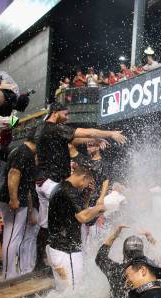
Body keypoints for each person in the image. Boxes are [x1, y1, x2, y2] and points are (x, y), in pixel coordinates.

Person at [34, 103, 126, 272]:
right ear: (55, 113)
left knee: (50, 224)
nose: (67, 117)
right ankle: (54, 258)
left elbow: (77, 139)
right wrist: (111, 134)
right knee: (76, 218)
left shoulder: (45, 129)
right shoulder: (53, 128)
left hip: (45, 182)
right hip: (51, 183)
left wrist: (95, 139)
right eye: (65, 113)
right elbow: (89, 131)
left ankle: (45, 260)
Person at [46, 162, 106, 291]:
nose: (85, 186)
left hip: (59, 248)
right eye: (87, 182)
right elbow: (83, 218)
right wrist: (99, 208)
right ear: (83, 177)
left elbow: (81, 214)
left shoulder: (62, 187)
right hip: (66, 250)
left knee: (65, 292)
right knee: (73, 292)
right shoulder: (69, 191)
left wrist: (88, 195)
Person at [0, 135, 37, 281]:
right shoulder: (24, 152)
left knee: (14, 236)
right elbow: (14, 173)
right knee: (12, 236)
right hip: (12, 200)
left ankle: (10, 272)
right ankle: (8, 274)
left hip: (16, 198)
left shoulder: (23, 151)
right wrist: (13, 198)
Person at [95, 224, 157, 298]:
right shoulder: (147, 270)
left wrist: (115, 235)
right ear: (142, 252)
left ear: (124, 252)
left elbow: (100, 257)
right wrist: (151, 239)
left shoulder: (115, 269)